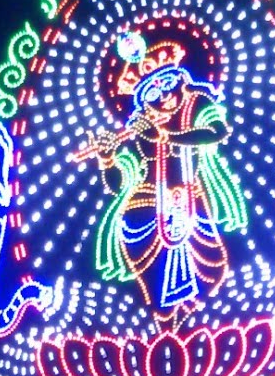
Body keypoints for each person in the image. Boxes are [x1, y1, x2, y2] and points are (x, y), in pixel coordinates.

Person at [83, 33, 248, 330]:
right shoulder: (140, 127)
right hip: (143, 209)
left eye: (167, 84)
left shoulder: (195, 103)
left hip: (190, 200)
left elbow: (217, 131)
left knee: (211, 270)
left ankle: (197, 329)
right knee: (156, 289)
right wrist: (107, 158)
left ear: (180, 79)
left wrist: (165, 136)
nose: (163, 95)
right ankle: (165, 336)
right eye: (152, 91)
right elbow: (118, 184)